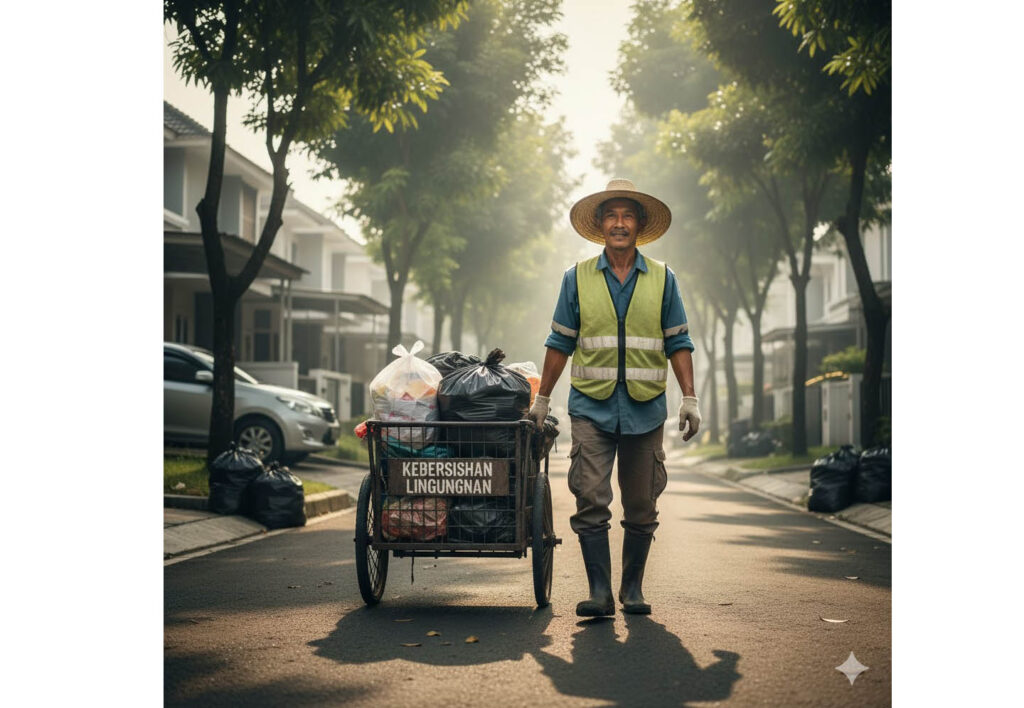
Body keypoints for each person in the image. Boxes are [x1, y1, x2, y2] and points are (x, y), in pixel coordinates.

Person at [527, 178, 702, 617]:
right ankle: (600, 592)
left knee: (642, 503)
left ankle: (633, 589)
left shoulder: (663, 279)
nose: (619, 224)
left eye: (627, 216)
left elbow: (679, 342)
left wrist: (690, 398)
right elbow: (559, 341)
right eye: (612, 215)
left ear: (639, 225)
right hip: (591, 406)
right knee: (591, 497)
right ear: (600, 224)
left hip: (645, 409)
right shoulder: (576, 278)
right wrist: (543, 399)